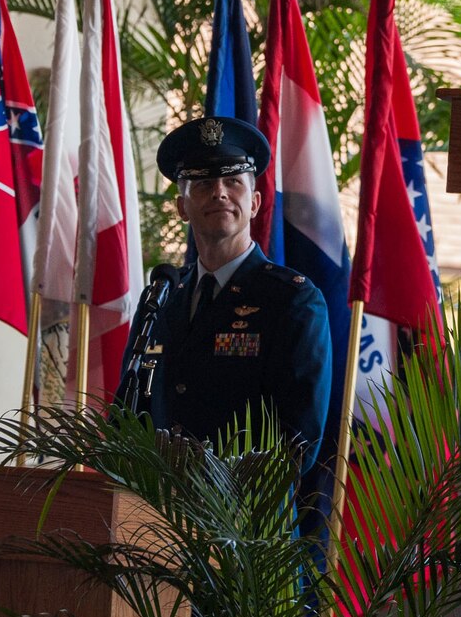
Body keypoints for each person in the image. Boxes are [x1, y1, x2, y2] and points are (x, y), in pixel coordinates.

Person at [119, 114, 332, 460]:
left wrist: (213, 485)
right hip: (151, 508)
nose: (219, 192)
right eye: (202, 184)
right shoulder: (161, 296)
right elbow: (126, 415)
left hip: (241, 510)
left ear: (254, 203)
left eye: (233, 181)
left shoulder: (291, 300)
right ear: (181, 207)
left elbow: (300, 439)